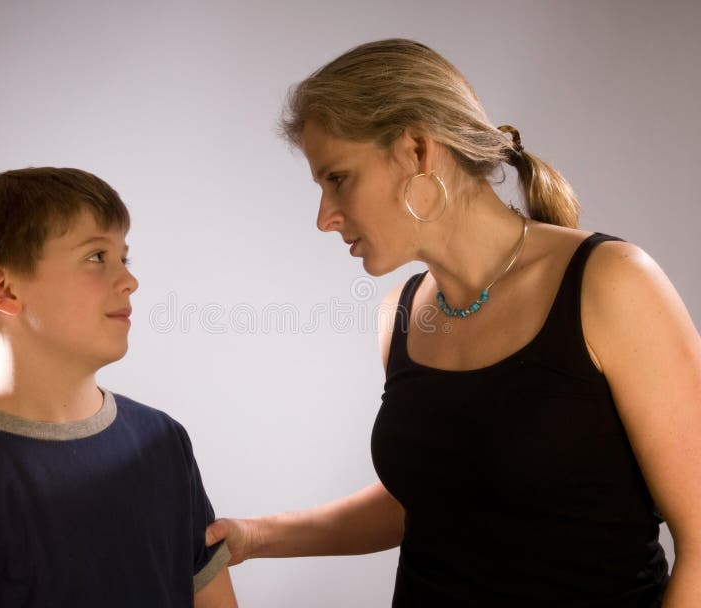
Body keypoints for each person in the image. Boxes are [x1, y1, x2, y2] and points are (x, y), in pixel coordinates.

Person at [205, 39, 701, 606]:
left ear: (416, 149)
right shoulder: (403, 315)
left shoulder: (611, 283)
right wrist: (255, 537)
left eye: (337, 179)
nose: (324, 218)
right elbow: (428, 500)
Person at [0, 168, 237, 607]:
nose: (129, 281)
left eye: (124, 258)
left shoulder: (164, 442)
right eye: (96, 257)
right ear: (3, 289)